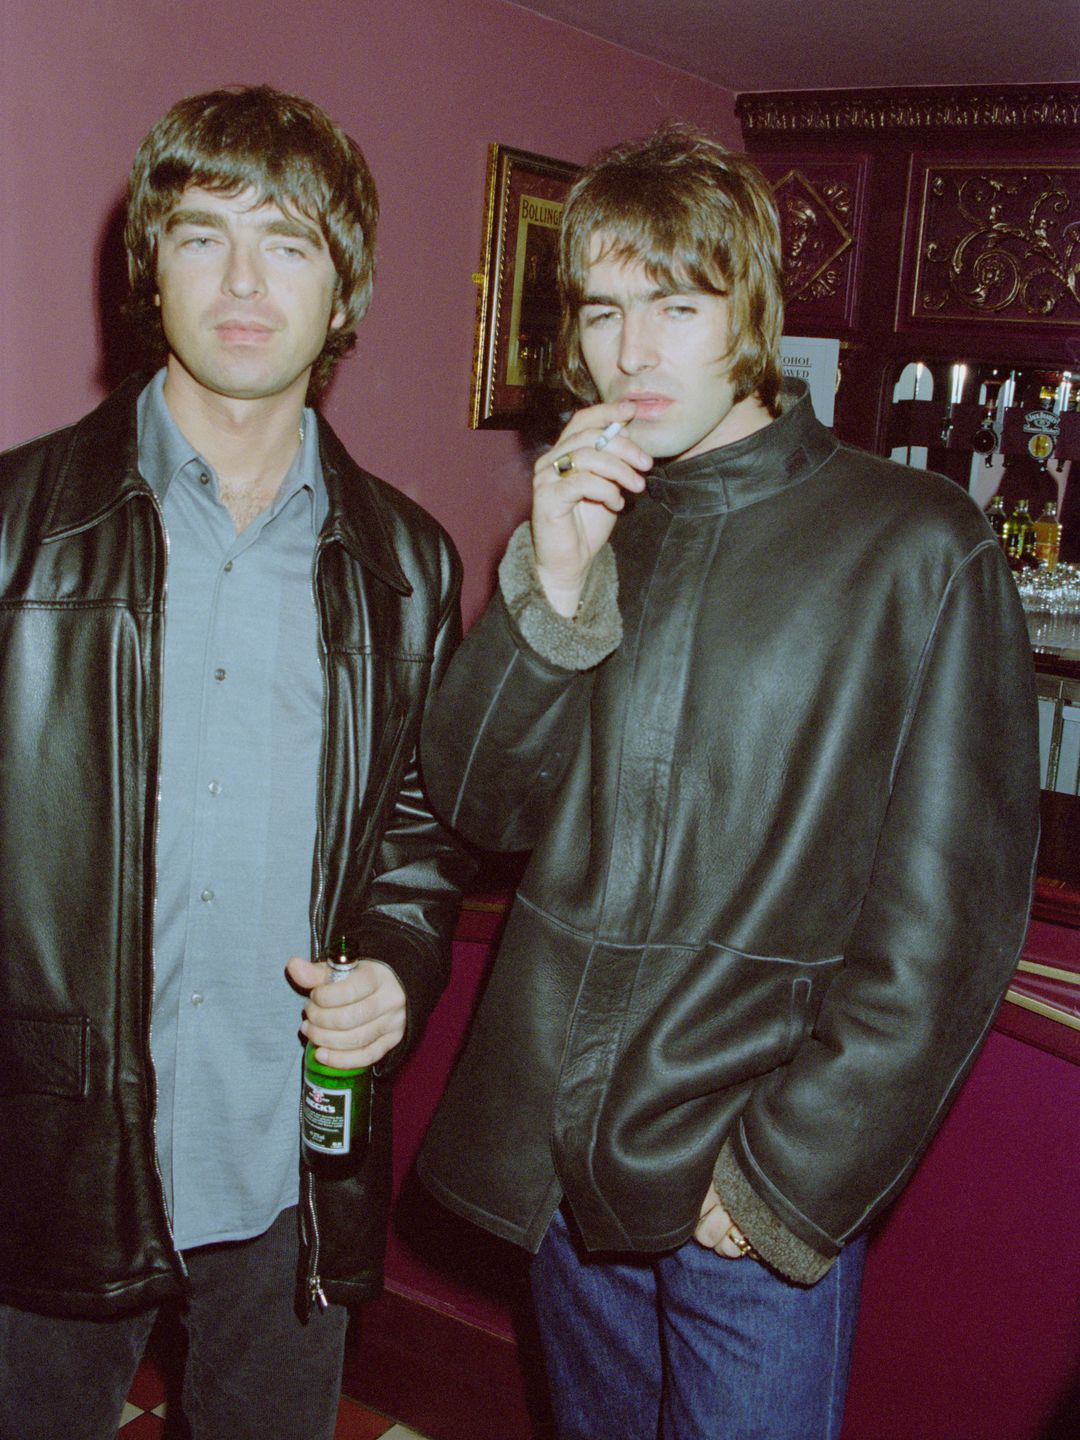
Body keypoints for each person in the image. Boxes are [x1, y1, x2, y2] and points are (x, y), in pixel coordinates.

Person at [417, 125, 1040, 1440]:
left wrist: (778, 1179)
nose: (633, 353)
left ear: (749, 311)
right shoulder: (590, 520)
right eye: (604, 310)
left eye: (677, 306)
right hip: (556, 1171)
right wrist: (555, 589)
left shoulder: (916, 543)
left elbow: (948, 927)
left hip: (740, 1186)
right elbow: (480, 806)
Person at [0, 85, 467, 1440]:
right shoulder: (19, 526)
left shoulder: (407, 565)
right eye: (205, 236)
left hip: (289, 1168)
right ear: (151, 268)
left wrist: (400, 969)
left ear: (348, 287)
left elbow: (419, 841)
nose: (248, 281)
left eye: (293, 242)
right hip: (48, 1157)